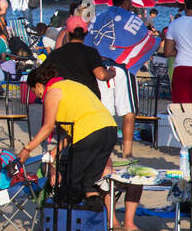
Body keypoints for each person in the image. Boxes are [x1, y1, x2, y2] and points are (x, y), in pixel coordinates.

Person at [20, 63, 118, 205]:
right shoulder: (73, 85)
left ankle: (66, 222)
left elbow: (48, 127)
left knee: (71, 185)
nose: (36, 94)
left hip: (89, 135)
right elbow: (76, 128)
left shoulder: (52, 92)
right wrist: (56, 150)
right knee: (88, 183)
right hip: (109, 131)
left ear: (39, 85)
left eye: (34, 90)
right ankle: (93, 219)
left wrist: (27, 149)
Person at [46, 26, 111, 96]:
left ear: (67, 34)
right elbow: (101, 75)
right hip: (89, 97)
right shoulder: (91, 52)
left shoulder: (56, 53)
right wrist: (111, 72)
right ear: (85, 34)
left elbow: (43, 73)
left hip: (66, 97)